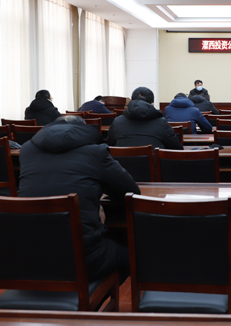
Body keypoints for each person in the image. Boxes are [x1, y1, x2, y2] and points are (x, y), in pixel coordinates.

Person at [18, 116, 140, 281]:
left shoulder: (26, 150)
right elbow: (130, 192)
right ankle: (94, 295)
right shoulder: (96, 152)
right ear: (83, 131)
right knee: (131, 257)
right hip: (82, 259)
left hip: (30, 256)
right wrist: (97, 195)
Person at [107, 87, 183, 149]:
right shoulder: (161, 123)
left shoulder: (117, 122)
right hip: (153, 163)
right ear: (152, 104)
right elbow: (177, 148)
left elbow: (110, 145)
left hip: (121, 163)